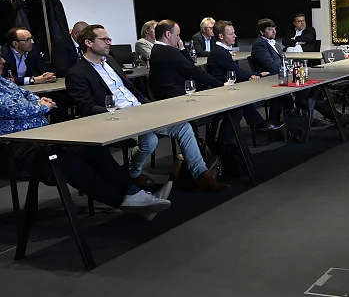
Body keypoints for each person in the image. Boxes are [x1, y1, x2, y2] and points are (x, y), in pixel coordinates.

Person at [0, 55, 172, 217]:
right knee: (65, 161)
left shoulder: (4, 83)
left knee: (91, 148)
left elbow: (29, 96)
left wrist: (36, 104)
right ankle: (131, 202)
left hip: (41, 136)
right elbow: (13, 109)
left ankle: (136, 195)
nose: (3, 60)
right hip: (14, 144)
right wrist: (41, 107)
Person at [66, 24, 224, 191]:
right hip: (118, 117)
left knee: (183, 127)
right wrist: (115, 111)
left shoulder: (110, 61)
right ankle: (133, 172)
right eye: (104, 39)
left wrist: (147, 104)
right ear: (89, 43)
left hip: (140, 110)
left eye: (109, 39)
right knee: (150, 139)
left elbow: (131, 89)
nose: (109, 43)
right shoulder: (78, 73)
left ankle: (201, 175)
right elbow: (86, 107)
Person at [205, 20, 282, 136]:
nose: (235, 36)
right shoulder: (219, 53)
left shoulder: (221, 51)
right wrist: (259, 74)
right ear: (221, 36)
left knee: (243, 102)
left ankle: (259, 125)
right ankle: (257, 126)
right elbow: (237, 72)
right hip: (221, 90)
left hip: (229, 86)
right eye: (231, 34)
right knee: (240, 104)